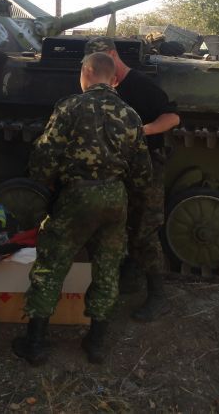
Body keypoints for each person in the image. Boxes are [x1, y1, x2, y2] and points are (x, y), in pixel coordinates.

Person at [12, 52, 152, 366]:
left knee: (51, 264)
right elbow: (142, 171)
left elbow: (44, 158)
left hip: (76, 195)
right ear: (113, 77)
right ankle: (97, 344)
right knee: (106, 268)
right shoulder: (130, 114)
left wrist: (49, 185)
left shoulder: (70, 107)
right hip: (114, 198)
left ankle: (35, 344)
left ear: (86, 73)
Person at [84, 36, 181, 321]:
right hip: (121, 167)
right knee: (125, 224)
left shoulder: (138, 84)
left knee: (145, 228)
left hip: (146, 167)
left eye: (102, 59)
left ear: (113, 55)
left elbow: (172, 117)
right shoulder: (106, 87)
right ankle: (130, 275)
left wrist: (142, 131)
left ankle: (158, 295)